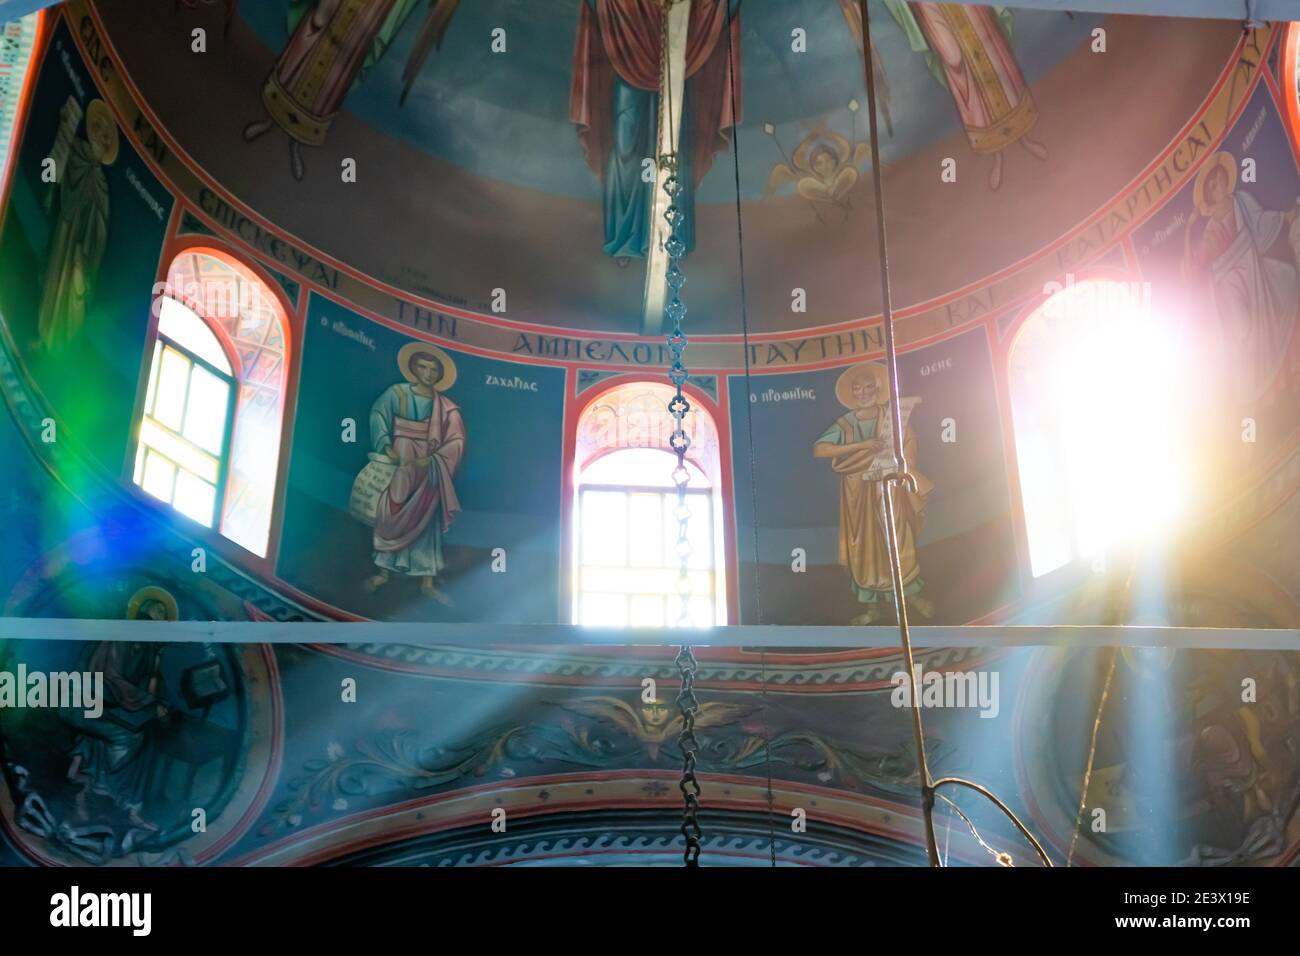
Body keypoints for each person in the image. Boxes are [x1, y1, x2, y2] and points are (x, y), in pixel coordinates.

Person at [570, 0, 741, 261]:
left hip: (678, 73)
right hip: (628, 64)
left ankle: (675, 236)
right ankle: (625, 238)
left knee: (678, 152)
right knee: (625, 154)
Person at [813, 364, 933, 624]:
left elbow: (909, 441)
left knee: (898, 538)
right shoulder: (845, 424)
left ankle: (910, 596)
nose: (863, 392)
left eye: (869, 387)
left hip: (889, 486)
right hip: (859, 492)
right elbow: (820, 449)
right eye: (858, 389)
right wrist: (863, 445)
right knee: (865, 545)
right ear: (852, 393)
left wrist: (905, 463)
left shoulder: (890, 417)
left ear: (877, 389)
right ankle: (871, 609)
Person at [1183, 150, 1300, 407]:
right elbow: (1192, 268)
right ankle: (1257, 394)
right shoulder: (1209, 229)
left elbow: (1259, 222)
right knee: (1244, 330)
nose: (1218, 188)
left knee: (1286, 285)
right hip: (1229, 283)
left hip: (1253, 270)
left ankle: (1286, 380)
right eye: (1212, 187)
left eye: (1219, 181)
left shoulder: (1241, 202)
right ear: (1209, 196)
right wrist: (1190, 230)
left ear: (1227, 180)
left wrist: (1285, 217)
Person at [364, 343, 465, 603]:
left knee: (425, 520)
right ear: (413, 368)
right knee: (390, 512)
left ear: (440, 374)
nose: (428, 373)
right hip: (400, 462)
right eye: (423, 366)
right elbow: (378, 415)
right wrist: (386, 446)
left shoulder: (446, 407)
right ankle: (384, 572)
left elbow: (456, 440)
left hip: (428, 467)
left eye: (433, 369)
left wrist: (433, 460)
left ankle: (427, 581)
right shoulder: (396, 394)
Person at [37, 99, 116, 350]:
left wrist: (87, 249)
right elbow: (51, 170)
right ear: (91, 128)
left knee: (72, 289)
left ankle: (57, 346)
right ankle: (42, 334)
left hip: (80, 245)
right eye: (98, 129)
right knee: (52, 280)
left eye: (106, 136)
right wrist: (48, 184)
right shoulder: (74, 149)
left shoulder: (101, 183)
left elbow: (101, 227)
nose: (100, 137)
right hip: (63, 228)